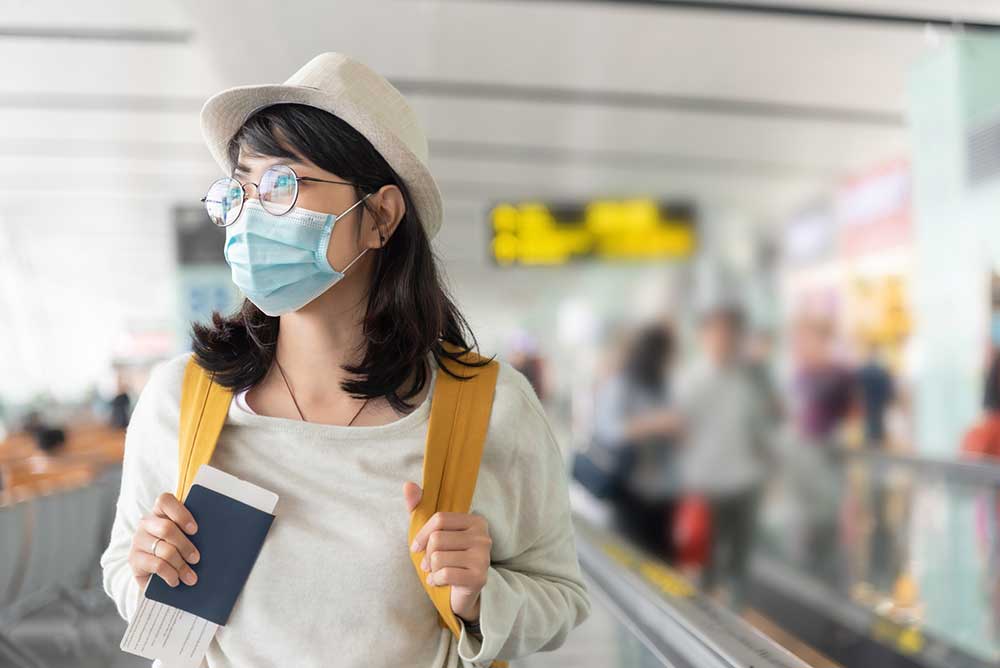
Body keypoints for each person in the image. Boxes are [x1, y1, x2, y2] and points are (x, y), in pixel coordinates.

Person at [99, 52, 590, 668]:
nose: (251, 212)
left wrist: (480, 596)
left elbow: (561, 595)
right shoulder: (182, 399)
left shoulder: (488, 408)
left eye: (282, 183)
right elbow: (125, 571)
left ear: (380, 216)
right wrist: (146, 572)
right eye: (241, 187)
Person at [673, 304, 772, 610]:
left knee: (740, 564)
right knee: (705, 564)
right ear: (705, 337)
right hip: (706, 486)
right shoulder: (690, 381)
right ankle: (704, 628)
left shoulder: (749, 381)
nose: (725, 340)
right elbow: (678, 429)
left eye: (732, 334)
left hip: (745, 483)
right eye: (718, 333)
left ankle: (735, 628)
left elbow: (762, 427)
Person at [592, 322, 679, 560]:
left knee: (661, 563)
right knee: (629, 559)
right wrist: (653, 423)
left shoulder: (664, 386)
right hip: (631, 492)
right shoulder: (622, 385)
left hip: (663, 492)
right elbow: (608, 430)